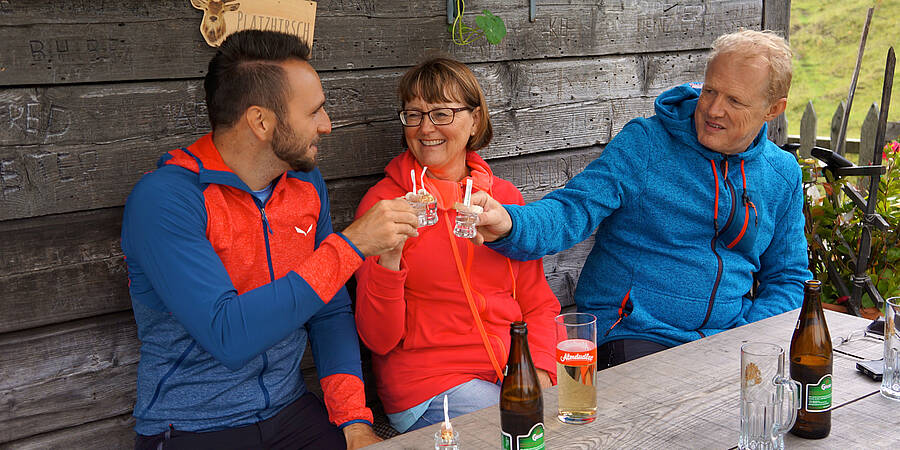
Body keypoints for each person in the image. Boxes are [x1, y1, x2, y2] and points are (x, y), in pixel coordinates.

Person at [121, 30, 419, 449]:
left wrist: (352, 419)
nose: (327, 125)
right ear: (261, 121)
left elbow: (329, 309)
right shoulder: (167, 200)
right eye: (314, 112)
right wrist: (350, 247)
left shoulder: (304, 182)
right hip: (192, 426)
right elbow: (228, 335)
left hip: (290, 409)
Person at [471, 30, 812, 368]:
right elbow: (571, 209)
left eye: (734, 101)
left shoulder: (781, 173)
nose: (714, 109)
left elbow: (788, 277)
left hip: (724, 339)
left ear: (773, 110)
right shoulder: (647, 144)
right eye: (710, 91)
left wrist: (749, 335)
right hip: (631, 333)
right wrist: (509, 224)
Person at [353, 58, 561, 433]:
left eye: (442, 113)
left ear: (475, 121)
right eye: (414, 115)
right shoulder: (385, 204)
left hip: (510, 373)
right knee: (522, 431)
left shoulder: (503, 199)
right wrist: (389, 259)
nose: (425, 128)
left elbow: (538, 302)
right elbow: (378, 340)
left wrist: (542, 369)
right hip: (431, 384)